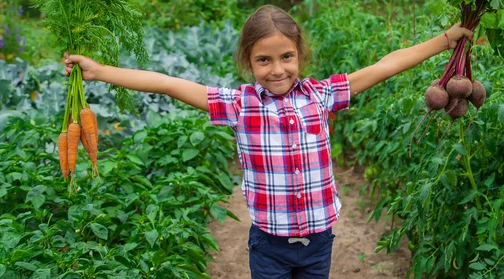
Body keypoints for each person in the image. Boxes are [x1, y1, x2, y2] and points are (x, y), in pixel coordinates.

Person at [63, 4, 472, 279]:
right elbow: (168, 84)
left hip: (318, 242)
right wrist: (100, 72)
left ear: (299, 55)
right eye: (264, 60)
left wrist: (446, 40)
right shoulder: (238, 104)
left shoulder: (321, 94)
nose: (277, 69)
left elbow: (388, 64)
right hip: (268, 245)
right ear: (248, 61)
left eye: (286, 57)